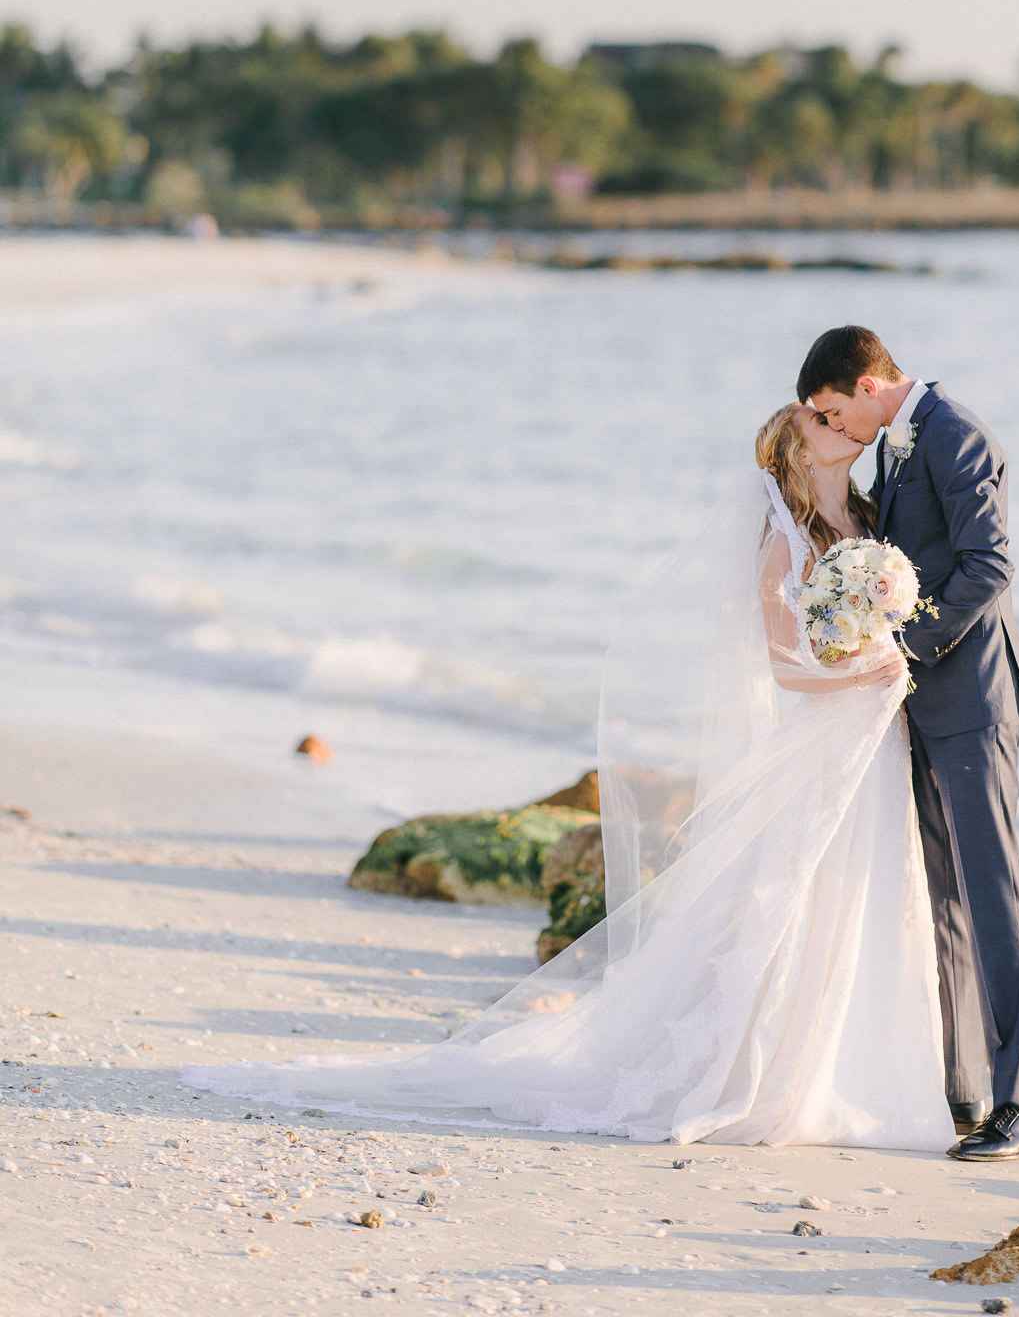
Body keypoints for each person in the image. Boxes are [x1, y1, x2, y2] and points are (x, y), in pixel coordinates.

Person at [183, 403, 955, 1152]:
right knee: (789, 895)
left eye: (834, 414)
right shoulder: (780, 545)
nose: (839, 426)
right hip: (829, 729)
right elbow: (787, 671)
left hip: (875, 737)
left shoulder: (866, 516)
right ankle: (765, 1074)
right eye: (818, 423)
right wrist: (864, 678)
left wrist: (883, 657)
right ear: (796, 452)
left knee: (861, 892)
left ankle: (849, 1070)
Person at [798, 324, 1019, 1164]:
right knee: (941, 900)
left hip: (971, 698)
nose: (835, 431)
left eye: (834, 413)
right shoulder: (895, 447)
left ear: (867, 384)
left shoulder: (955, 435)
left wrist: (902, 643)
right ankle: (962, 1087)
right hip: (917, 705)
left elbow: (988, 564)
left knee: (991, 895)